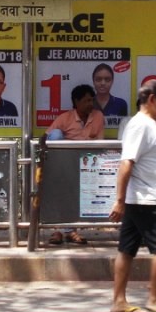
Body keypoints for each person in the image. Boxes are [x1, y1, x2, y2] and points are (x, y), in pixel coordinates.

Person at [108, 78, 156, 312]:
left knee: (127, 250)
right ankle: (155, 298)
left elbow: (149, 166)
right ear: (151, 99)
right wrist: (119, 200)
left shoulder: (149, 124)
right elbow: (126, 164)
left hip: (144, 196)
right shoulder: (141, 125)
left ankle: (119, 301)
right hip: (147, 201)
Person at [45, 84, 105, 246]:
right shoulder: (65, 118)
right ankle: (58, 230)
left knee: (78, 191)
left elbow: (99, 145)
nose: (90, 104)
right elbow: (46, 138)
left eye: (91, 100)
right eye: (86, 101)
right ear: (76, 102)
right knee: (56, 134)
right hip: (64, 166)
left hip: (88, 165)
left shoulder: (98, 116)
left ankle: (71, 231)